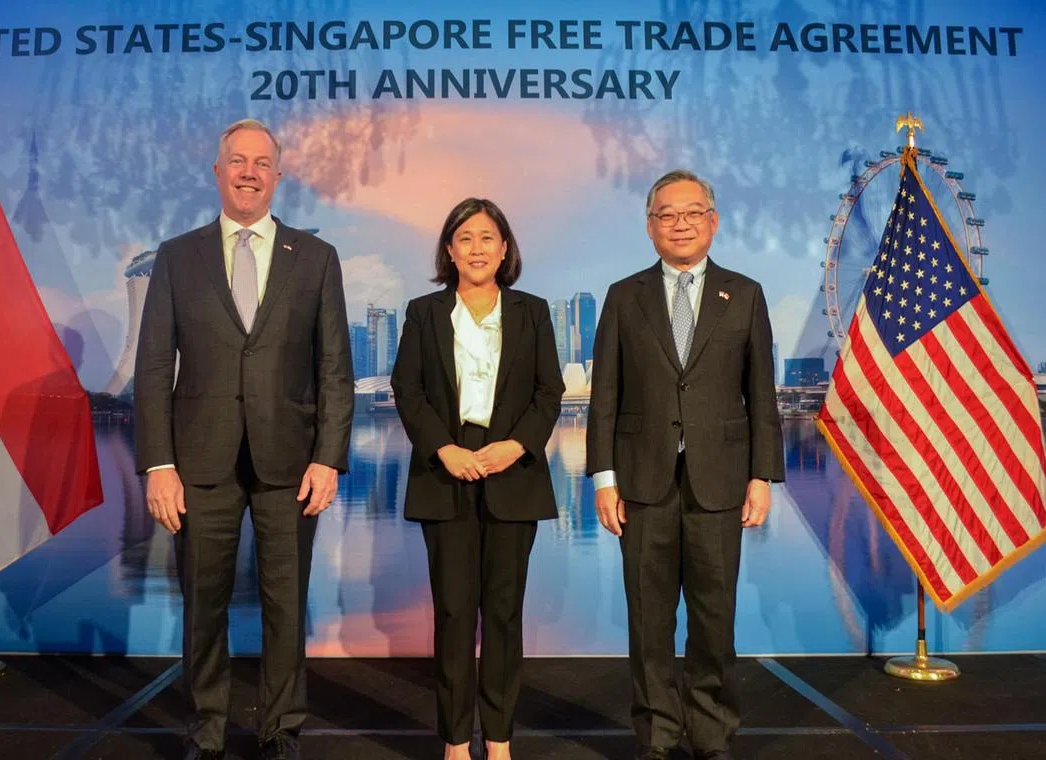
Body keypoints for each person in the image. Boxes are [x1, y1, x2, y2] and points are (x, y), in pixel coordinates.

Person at [134, 118, 354, 760]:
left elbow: (333, 367)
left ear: (278, 177)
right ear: (218, 171)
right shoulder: (178, 256)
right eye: (237, 160)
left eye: (262, 162)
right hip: (197, 463)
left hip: (291, 462)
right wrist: (157, 464)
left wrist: (328, 458)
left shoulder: (315, 258)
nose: (250, 172)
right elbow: (153, 367)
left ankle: (281, 728)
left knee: (286, 604)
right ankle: (205, 730)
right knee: (204, 606)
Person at [586, 170, 784, 760]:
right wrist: (603, 478)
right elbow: (605, 398)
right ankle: (657, 734)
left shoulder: (744, 294)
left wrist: (761, 476)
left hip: (721, 483)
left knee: (714, 617)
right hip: (641, 484)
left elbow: (763, 395)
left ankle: (712, 732)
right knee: (648, 621)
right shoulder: (624, 296)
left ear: (713, 222)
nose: (680, 223)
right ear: (650, 227)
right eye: (667, 214)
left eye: (692, 213)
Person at [390, 198, 564, 760]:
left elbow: (549, 392)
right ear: (449, 250)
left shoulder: (533, 311)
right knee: (454, 613)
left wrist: (515, 445)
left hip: (512, 468)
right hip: (446, 469)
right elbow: (408, 390)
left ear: (505, 248)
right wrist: (443, 448)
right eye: (465, 238)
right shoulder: (423, 312)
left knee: (506, 613)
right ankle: (455, 741)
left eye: (488, 237)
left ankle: (501, 737)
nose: (477, 248)